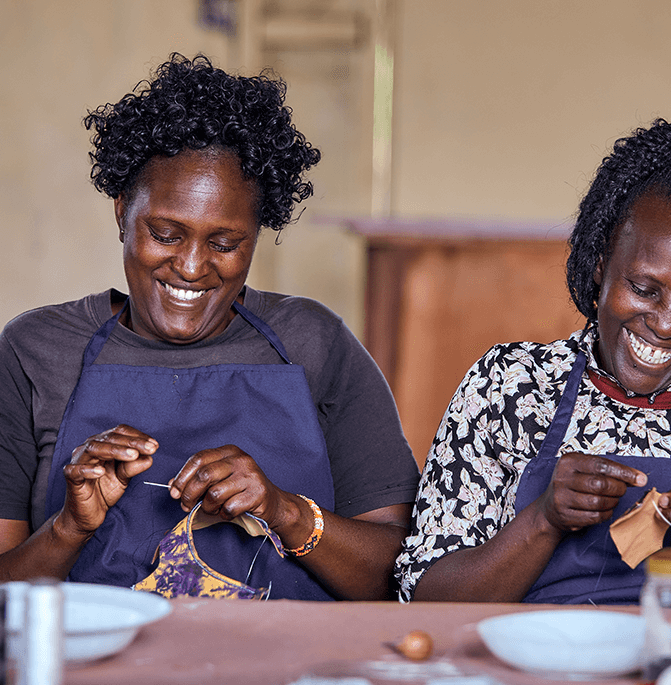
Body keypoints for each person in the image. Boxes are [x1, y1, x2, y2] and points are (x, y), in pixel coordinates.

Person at [0, 53, 419, 601]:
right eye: (166, 234)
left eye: (225, 243)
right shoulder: (35, 351)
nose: (193, 267)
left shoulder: (313, 342)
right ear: (123, 211)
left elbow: (401, 576)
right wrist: (68, 528)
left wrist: (284, 511)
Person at [395, 118, 671, 608]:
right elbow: (424, 596)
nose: (666, 324)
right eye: (644, 289)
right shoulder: (509, 386)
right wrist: (542, 521)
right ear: (601, 264)